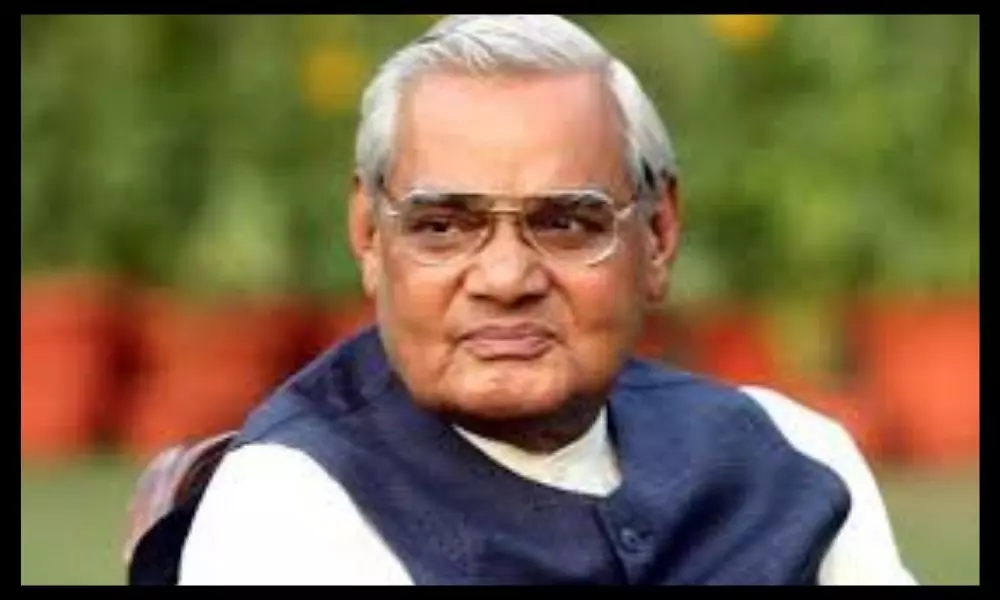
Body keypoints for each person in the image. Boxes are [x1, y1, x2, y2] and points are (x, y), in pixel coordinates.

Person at [162, 14, 917, 585]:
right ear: (370, 237)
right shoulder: (296, 507)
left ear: (657, 237)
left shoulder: (791, 456)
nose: (505, 278)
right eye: (443, 226)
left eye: (564, 223)